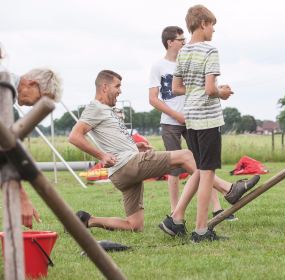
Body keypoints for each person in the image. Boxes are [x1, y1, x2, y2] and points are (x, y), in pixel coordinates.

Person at [69, 70, 258, 232]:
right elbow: (75, 136)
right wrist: (101, 155)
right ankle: (229, 190)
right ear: (104, 87)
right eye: (117, 86)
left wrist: (136, 146)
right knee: (187, 156)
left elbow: (110, 139)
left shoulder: (106, 110)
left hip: (121, 173)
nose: (120, 91)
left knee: (134, 225)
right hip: (127, 165)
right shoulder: (95, 108)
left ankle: (89, 220)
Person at [159, 5, 259, 242]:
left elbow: (176, 88)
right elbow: (211, 88)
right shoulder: (210, 51)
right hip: (208, 118)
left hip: (191, 118)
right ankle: (202, 230)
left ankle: (176, 218)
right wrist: (221, 92)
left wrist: (199, 91)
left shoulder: (182, 52)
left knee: (201, 169)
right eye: (212, 24)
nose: (214, 29)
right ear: (203, 23)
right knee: (207, 173)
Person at [149, 25, 237, 221]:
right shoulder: (158, 66)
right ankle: (175, 212)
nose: (184, 42)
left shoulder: (187, 58)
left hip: (193, 117)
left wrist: (215, 88)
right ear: (170, 42)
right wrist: (175, 115)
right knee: (174, 170)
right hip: (171, 122)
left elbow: (201, 87)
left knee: (201, 165)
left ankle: (217, 208)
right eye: (180, 39)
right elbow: (153, 99)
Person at [0, 62, 63, 228]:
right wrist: (21, 197)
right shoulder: (5, 85)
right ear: (32, 84)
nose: (36, 107)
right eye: (40, 100)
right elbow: (4, 146)